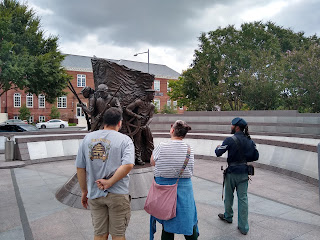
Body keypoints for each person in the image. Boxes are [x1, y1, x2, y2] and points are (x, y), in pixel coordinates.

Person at [76, 107, 135, 240]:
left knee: (100, 234)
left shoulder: (88, 138)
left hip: (95, 194)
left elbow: (80, 168)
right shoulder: (125, 140)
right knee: (118, 235)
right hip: (118, 194)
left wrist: (84, 191)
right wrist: (109, 182)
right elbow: (128, 165)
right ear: (120, 122)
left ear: (104, 122)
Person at [149, 120, 199, 240]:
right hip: (184, 190)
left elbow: (152, 162)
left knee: (167, 222)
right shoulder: (189, 149)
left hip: (164, 190)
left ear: (172, 130)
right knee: (188, 219)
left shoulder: (162, 146)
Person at [215, 117, 259, 235]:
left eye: (232, 125)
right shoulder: (249, 140)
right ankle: (244, 227)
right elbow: (255, 156)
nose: (231, 127)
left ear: (237, 127)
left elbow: (218, 153)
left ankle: (228, 216)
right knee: (243, 199)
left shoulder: (230, 140)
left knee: (229, 196)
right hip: (244, 172)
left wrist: (218, 147)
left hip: (232, 173)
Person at [125, 89, 155, 165]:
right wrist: (136, 116)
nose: (153, 96)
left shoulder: (151, 105)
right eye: (152, 94)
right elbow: (127, 109)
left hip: (145, 124)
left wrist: (146, 125)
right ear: (148, 95)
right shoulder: (138, 102)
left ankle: (150, 156)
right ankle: (138, 158)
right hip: (137, 123)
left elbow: (151, 117)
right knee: (137, 141)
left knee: (149, 140)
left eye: (154, 94)